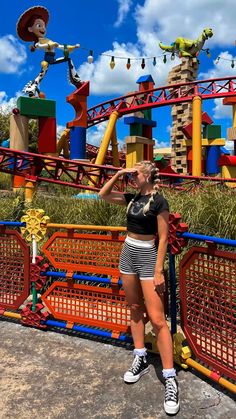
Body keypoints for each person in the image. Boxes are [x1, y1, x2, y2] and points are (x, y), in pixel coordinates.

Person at [98, 160, 179, 415]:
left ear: (147, 175)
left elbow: (164, 237)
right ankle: (140, 356)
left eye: (135, 174)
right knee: (133, 307)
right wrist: (119, 173)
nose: (133, 178)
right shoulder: (132, 198)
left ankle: (170, 378)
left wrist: (158, 271)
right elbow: (103, 195)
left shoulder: (159, 201)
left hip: (147, 255)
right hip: (128, 252)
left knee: (157, 319)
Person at [16, 6, 81, 97]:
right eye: (39, 25)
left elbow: (62, 47)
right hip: (47, 59)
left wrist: (74, 47)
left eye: (43, 26)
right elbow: (39, 46)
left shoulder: (48, 40)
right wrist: (51, 45)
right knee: (41, 75)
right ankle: (31, 90)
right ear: (30, 29)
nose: (43, 28)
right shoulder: (40, 41)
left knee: (67, 59)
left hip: (52, 59)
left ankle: (75, 79)